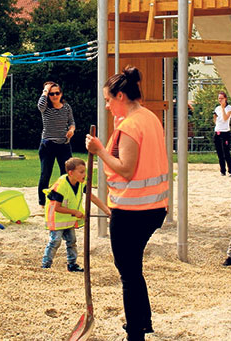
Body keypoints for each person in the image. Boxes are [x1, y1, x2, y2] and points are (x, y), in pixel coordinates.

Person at [86, 66, 168, 341]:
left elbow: (126, 168)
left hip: (132, 209)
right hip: (154, 206)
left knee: (128, 273)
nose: (107, 106)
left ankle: (136, 331)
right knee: (133, 268)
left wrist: (99, 151)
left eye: (108, 100)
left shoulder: (131, 125)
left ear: (121, 95)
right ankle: (143, 320)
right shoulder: (149, 117)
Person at [41, 157, 111, 271]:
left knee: (72, 241)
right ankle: (46, 264)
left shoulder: (81, 183)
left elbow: (92, 197)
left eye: (85, 171)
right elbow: (57, 208)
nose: (85, 174)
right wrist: (75, 212)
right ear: (71, 173)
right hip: (57, 218)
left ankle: (72, 264)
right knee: (55, 241)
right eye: (81, 172)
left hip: (68, 219)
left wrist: (107, 210)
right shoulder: (61, 185)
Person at [37, 81, 75, 206]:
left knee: (66, 174)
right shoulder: (46, 108)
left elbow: (72, 123)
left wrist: (71, 130)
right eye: (51, 94)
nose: (54, 96)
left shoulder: (66, 107)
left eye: (57, 93)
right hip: (48, 145)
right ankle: (42, 202)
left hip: (64, 145)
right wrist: (45, 90)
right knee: (45, 175)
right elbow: (40, 105)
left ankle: (62, 199)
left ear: (61, 94)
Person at [213, 91, 231, 177]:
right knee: (219, 152)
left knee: (226, 152)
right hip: (218, 131)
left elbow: (226, 118)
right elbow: (214, 117)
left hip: (225, 132)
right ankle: (222, 170)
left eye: (222, 98)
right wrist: (217, 124)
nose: (220, 100)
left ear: (225, 99)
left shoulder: (229, 108)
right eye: (219, 98)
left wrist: (222, 108)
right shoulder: (217, 108)